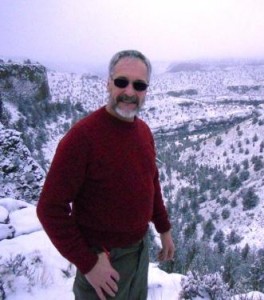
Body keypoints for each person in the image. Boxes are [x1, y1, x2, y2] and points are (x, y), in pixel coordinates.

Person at [37, 50, 175, 300]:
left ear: (146, 90)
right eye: (122, 81)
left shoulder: (143, 131)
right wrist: (88, 264)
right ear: (108, 83)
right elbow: (49, 208)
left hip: (139, 253)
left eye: (139, 85)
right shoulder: (82, 137)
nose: (130, 92)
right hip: (104, 261)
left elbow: (150, 183)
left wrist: (164, 230)